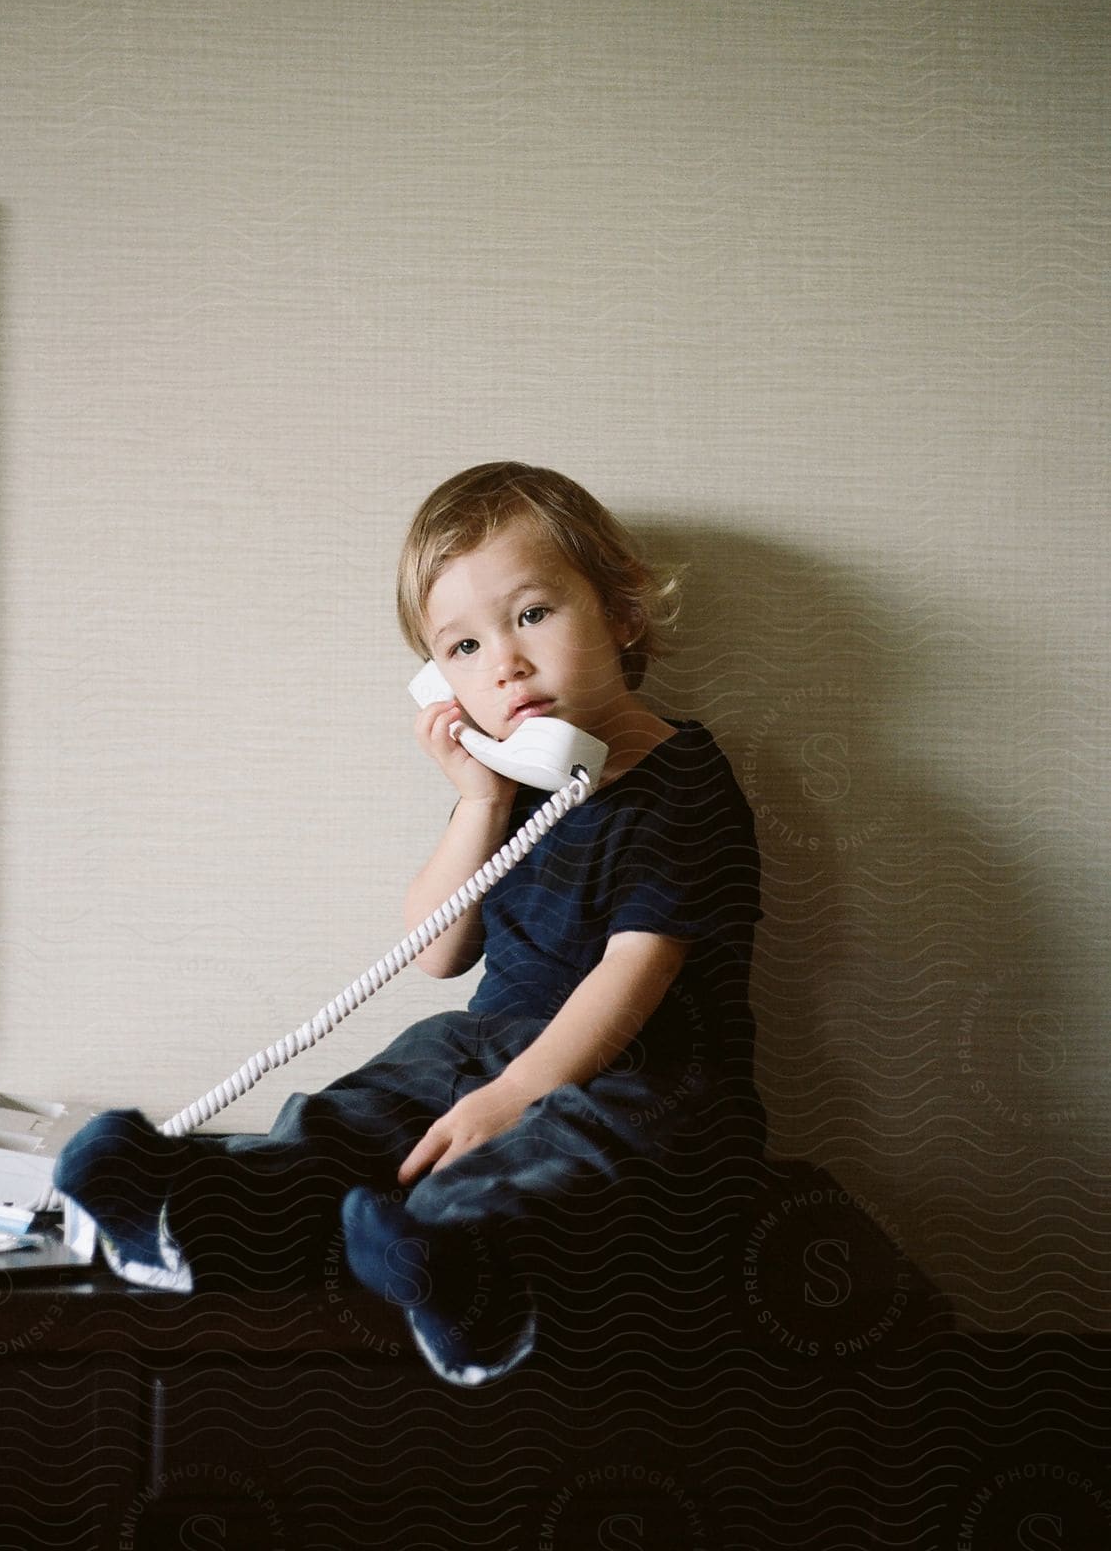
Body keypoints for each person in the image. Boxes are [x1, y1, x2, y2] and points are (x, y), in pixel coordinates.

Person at [55, 461, 767, 1386]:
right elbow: (438, 951)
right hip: (493, 1040)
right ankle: (211, 1209)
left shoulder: (686, 782)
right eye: (462, 649)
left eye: (532, 615)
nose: (504, 662)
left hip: (651, 1072)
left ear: (624, 613)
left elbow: (637, 969)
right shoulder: (520, 783)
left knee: (567, 1150)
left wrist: (515, 1095)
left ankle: (465, 1266)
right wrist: (478, 795)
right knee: (385, 1092)